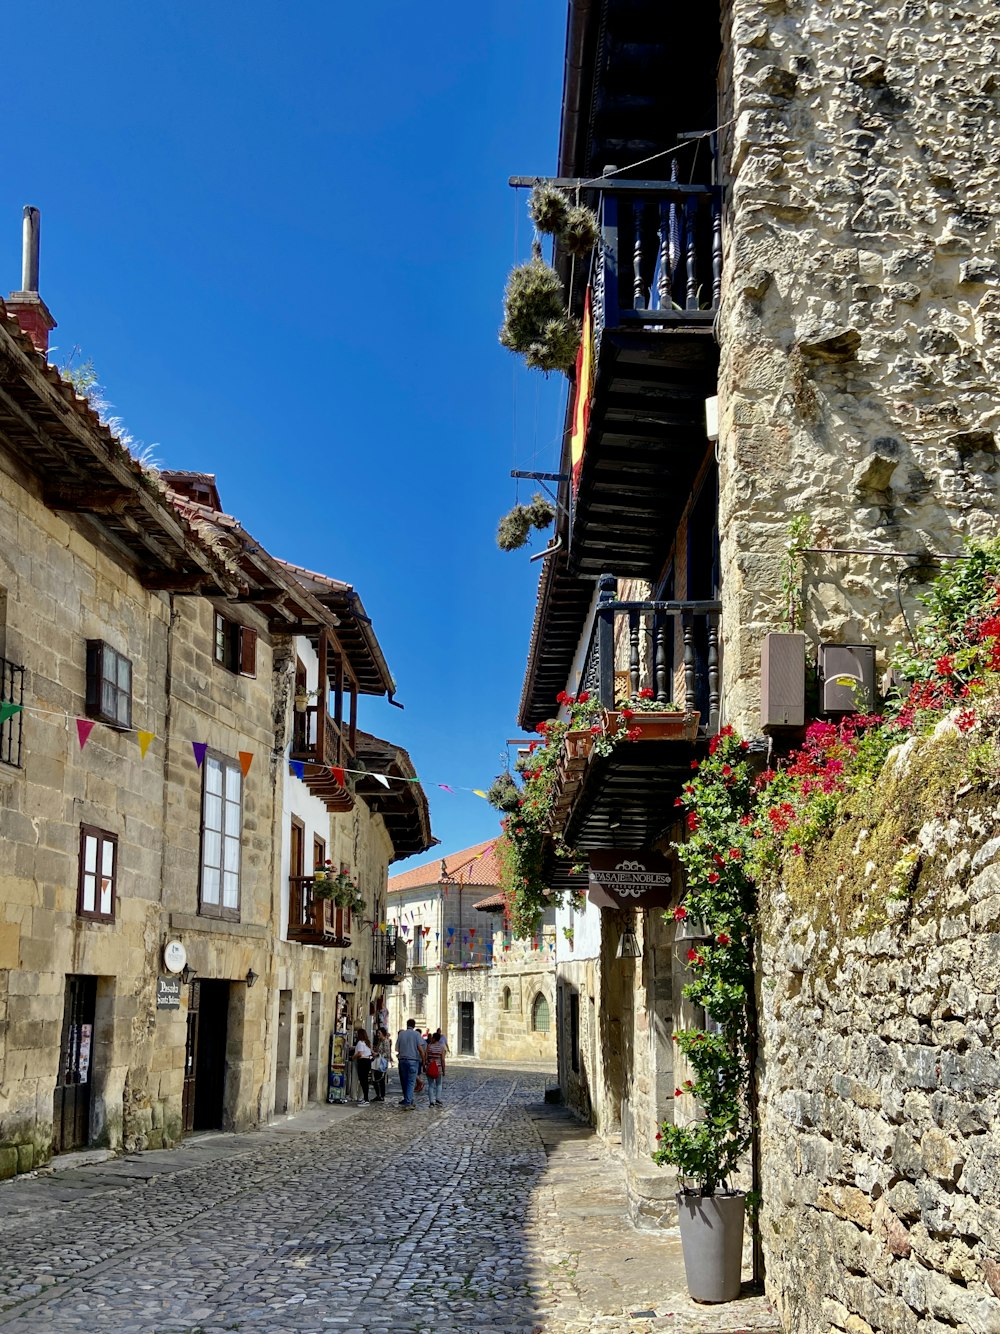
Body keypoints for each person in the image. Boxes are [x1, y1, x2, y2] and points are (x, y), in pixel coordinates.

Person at [395, 1018, 425, 1110]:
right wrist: (424, 1061)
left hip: (402, 1060)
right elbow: (420, 1048)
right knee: (411, 1082)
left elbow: (397, 1049)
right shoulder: (416, 1034)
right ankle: (408, 1102)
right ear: (414, 1025)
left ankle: (408, 1099)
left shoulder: (401, 1034)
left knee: (404, 1081)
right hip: (413, 1060)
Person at [424, 1028, 447, 1108]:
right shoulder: (441, 1047)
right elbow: (443, 1060)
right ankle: (438, 1099)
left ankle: (431, 1102)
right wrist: (444, 1070)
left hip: (430, 1067)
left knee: (430, 1085)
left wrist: (424, 1065)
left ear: (433, 1038)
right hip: (438, 1068)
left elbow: (426, 1057)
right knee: (439, 1084)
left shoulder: (429, 1046)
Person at [352, 1027, 373, 1105]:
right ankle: (365, 1098)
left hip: (362, 1061)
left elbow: (360, 1053)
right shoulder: (367, 1043)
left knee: (363, 1081)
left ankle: (366, 1099)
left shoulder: (360, 1043)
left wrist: (353, 1057)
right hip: (367, 1061)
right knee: (365, 1081)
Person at [371, 1026, 392, 1102]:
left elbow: (387, 1053)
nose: (377, 1034)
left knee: (380, 1079)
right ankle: (378, 1095)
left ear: (383, 1033)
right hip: (377, 1062)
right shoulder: (379, 1041)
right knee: (375, 1079)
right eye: (377, 1033)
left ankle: (381, 1095)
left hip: (382, 1063)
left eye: (379, 1033)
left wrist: (378, 1054)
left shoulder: (385, 1041)